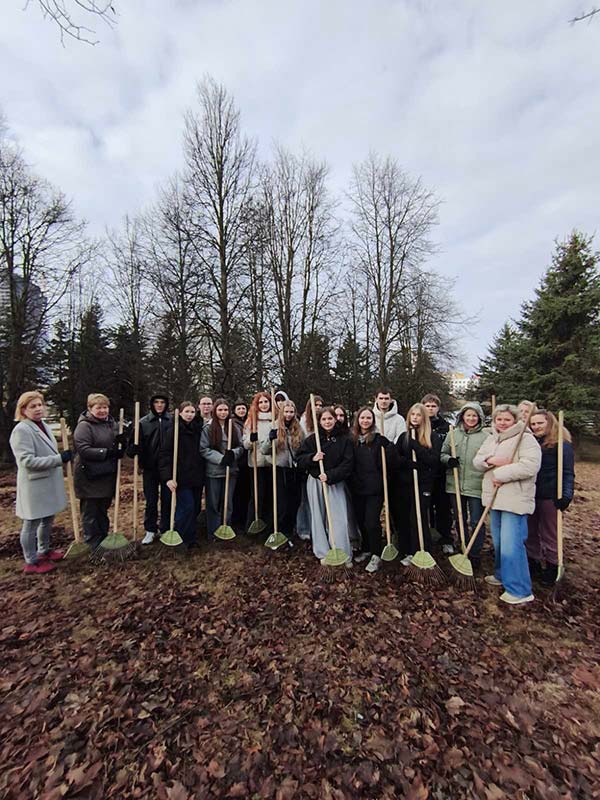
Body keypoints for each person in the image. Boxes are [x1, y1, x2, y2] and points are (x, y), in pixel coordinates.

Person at [473, 404, 541, 605]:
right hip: (495, 498)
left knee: (512, 544)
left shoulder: (525, 438)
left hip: (514, 498)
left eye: (507, 420)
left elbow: (530, 466)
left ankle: (519, 589)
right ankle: (502, 574)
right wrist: (492, 460)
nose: (502, 423)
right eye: (499, 419)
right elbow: (477, 460)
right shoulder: (492, 438)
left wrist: (501, 473)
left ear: (515, 420)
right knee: (500, 542)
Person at [9, 391, 70, 574]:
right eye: (32, 406)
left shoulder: (43, 426)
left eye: (40, 405)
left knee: (47, 519)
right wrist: (58, 459)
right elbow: (27, 461)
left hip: (47, 483)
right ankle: (31, 561)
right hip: (34, 485)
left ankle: (44, 550)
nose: (38, 409)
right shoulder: (22, 430)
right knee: (31, 523)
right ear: (23, 410)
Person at [296, 406, 354, 564]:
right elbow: (299, 460)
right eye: (324, 419)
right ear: (319, 421)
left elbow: (348, 464)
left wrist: (331, 475)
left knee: (339, 518)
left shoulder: (344, 440)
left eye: (330, 418)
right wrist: (312, 458)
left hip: (335, 482)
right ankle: (323, 552)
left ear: (335, 419)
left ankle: (342, 552)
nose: (327, 422)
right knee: (318, 516)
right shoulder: (312, 440)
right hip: (316, 482)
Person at [440, 402, 491, 568]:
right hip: (455, 485)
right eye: (468, 415)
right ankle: (463, 547)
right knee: (459, 519)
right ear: (462, 417)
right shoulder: (453, 434)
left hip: (477, 485)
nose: (471, 418)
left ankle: (474, 552)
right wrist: (449, 460)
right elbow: (443, 453)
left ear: (479, 418)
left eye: (474, 415)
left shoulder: (486, 437)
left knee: (476, 521)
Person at [527, 410, 575, 585]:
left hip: (550, 496)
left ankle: (553, 565)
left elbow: (568, 473)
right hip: (531, 493)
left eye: (540, 423)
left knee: (550, 532)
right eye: (533, 424)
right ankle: (533, 561)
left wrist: (567, 494)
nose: (536, 427)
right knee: (530, 531)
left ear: (550, 423)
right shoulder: (531, 443)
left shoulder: (561, 445)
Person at [73, 393, 125, 551]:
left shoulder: (111, 424)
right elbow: (83, 449)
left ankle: (103, 538)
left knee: (102, 509)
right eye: (98, 408)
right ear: (90, 409)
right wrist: (107, 452)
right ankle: (92, 543)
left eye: (105, 407)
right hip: (89, 475)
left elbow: (118, 441)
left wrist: (123, 442)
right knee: (91, 511)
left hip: (106, 474)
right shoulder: (84, 426)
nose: (103, 410)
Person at [391, 403, 441, 564]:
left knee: (417, 518)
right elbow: (396, 459)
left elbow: (432, 460)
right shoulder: (404, 437)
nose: (415, 417)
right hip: (405, 484)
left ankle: (422, 550)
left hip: (423, 484)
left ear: (424, 418)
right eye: (412, 414)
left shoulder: (432, 437)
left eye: (418, 415)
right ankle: (407, 551)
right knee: (405, 518)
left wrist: (416, 445)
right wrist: (407, 463)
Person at [350, 406, 393, 573]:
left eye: (368, 418)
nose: (365, 421)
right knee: (361, 520)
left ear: (373, 421)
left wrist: (387, 448)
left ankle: (376, 554)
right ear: (358, 420)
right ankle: (366, 548)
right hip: (357, 486)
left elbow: (392, 458)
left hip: (375, 487)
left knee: (371, 522)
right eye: (362, 418)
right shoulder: (352, 439)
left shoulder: (378, 440)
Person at [127, 393, 173, 545]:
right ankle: (150, 529)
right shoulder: (143, 423)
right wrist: (133, 449)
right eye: (156, 402)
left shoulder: (172, 421)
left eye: (162, 402)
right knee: (151, 500)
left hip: (168, 468)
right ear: (152, 405)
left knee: (167, 500)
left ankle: (165, 527)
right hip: (150, 468)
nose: (159, 405)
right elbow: (132, 447)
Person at [159, 401, 204, 549]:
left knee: (195, 507)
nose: (190, 415)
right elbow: (165, 455)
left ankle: (191, 537)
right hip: (180, 477)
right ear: (180, 413)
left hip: (196, 476)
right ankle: (181, 538)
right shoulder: (173, 430)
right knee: (186, 507)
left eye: (192, 412)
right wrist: (168, 478)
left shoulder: (198, 430)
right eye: (187, 412)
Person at [260, 399, 305, 539]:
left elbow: (302, 449)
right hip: (278, 470)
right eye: (286, 412)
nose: (289, 415)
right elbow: (263, 450)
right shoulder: (273, 426)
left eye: (291, 412)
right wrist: (270, 439)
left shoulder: (298, 428)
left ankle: (289, 530)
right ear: (281, 412)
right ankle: (277, 530)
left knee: (294, 501)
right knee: (281, 503)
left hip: (293, 470)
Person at [199, 398, 243, 539]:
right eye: (220, 410)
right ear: (215, 411)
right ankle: (213, 531)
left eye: (225, 410)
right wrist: (221, 458)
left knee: (227, 502)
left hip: (231, 470)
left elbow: (241, 446)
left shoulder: (234, 428)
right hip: (214, 471)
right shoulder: (208, 428)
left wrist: (233, 454)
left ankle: (226, 527)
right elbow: (204, 449)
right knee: (213, 502)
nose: (223, 413)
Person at [421, 393, 454, 554]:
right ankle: (426, 537)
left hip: (441, 474)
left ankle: (446, 538)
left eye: (433, 406)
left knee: (443, 508)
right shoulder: (419, 426)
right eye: (427, 406)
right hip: (424, 474)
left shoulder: (446, 427)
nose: (430, 409)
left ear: (438, 408)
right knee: (425, 508)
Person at [243, 391, 274, 533]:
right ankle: (252, 525)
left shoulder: (275, 420)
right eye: (260, 402)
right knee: (256, 495)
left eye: (266, 402)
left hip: (272, 463)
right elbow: (245, 444)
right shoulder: (251, 421)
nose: (263, 405)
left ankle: (268, 526)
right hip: (256, 463)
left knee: (270, 496)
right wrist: (251, 440)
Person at [231, 399, 250, 530]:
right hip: (238, 461)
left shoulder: (249, 422)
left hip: (249, 461)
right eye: (239, 409)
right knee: (237, 492)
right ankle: (236, 518)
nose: (242, 411)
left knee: (246, 491)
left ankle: (245, 517)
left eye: (243, 408)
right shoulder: (233, 423)